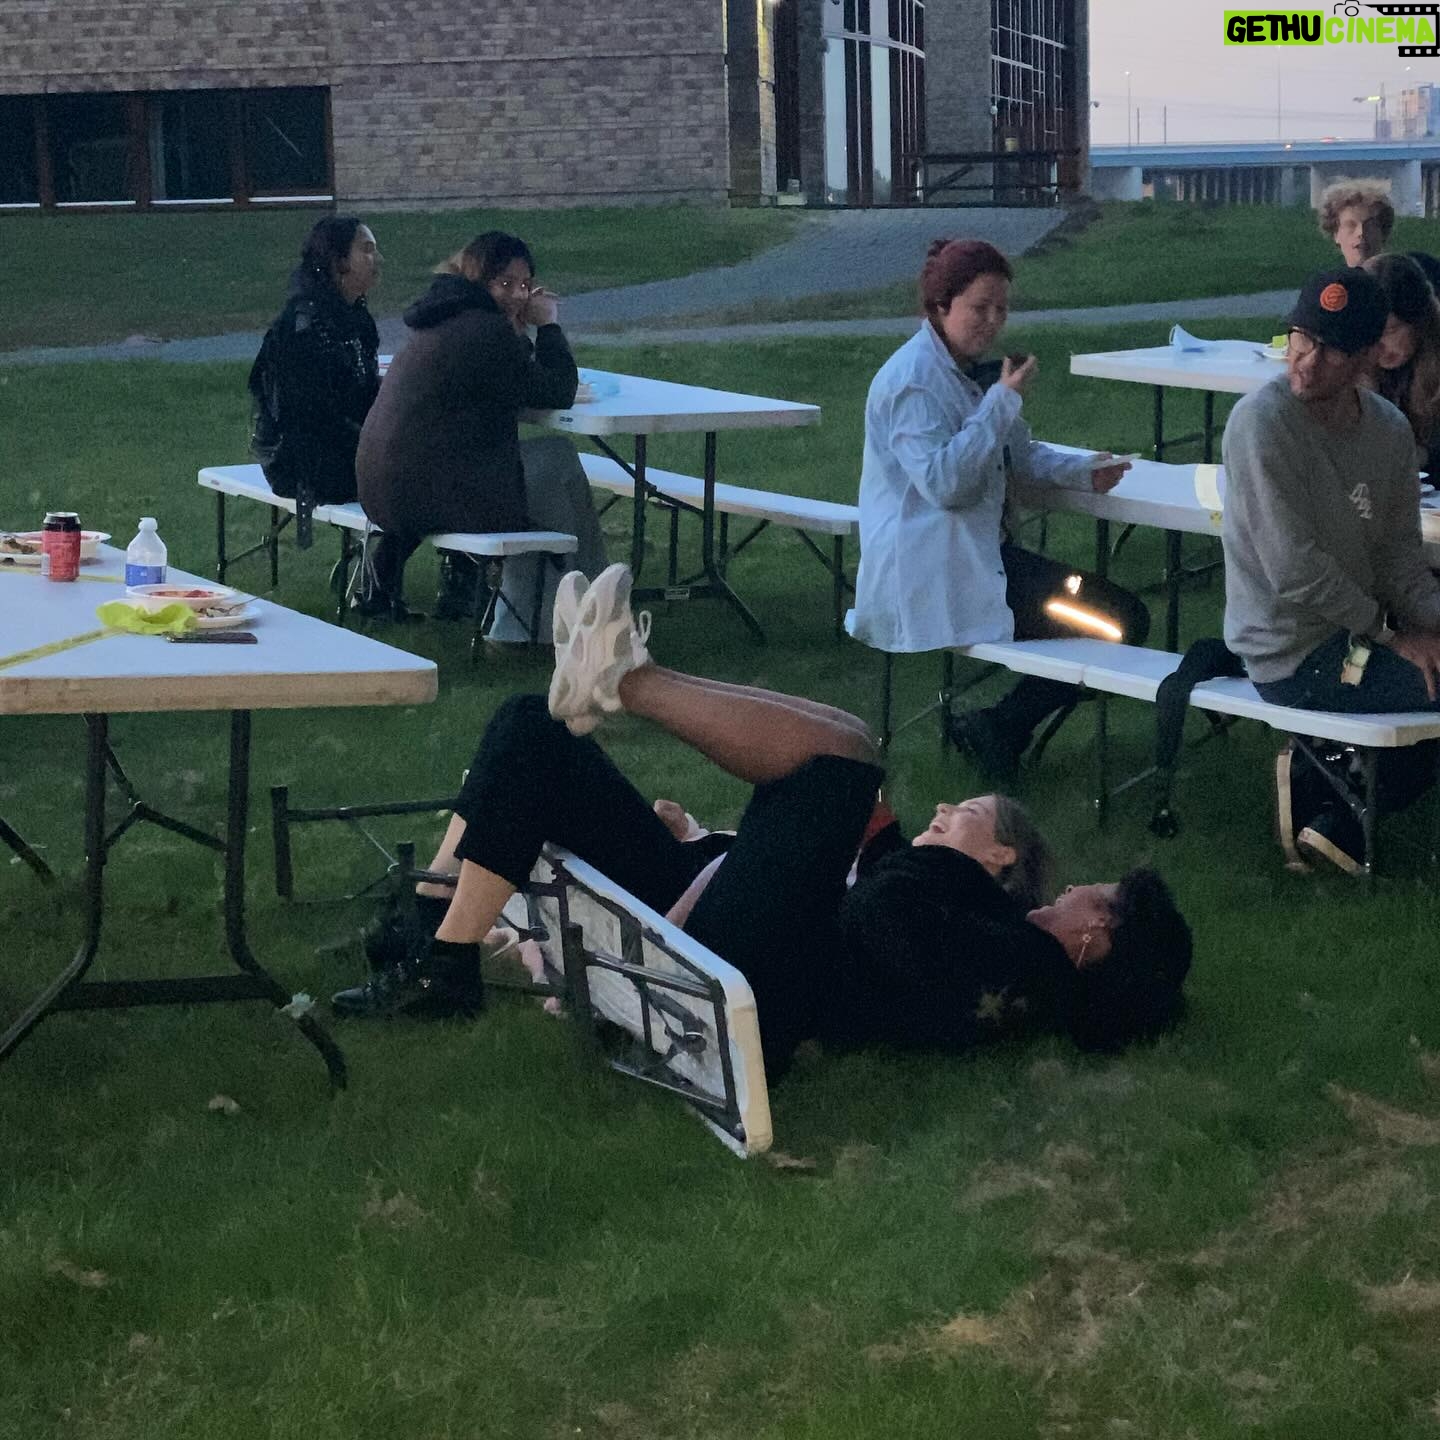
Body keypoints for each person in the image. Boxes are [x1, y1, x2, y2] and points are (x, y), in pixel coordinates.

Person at [332, 566, 1193, 1077]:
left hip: (759, 987)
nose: (1072, 890)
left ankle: (626, 677)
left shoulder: (1022, 959)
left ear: (1098, 935)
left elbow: (880, 919)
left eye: (1092, 895)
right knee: (533, 726)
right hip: (741, 935)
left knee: (848, 761)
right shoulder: (1006, 944)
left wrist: (875, 855)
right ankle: (437, 949)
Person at [848, 238, 1149, 784]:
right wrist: (1001, 401)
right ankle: (1002, 727)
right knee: (1116, 623)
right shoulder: (913, 382)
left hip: (979, 557)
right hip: (931, 573)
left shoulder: (968, 372)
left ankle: (1000, 726)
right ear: (941, 306)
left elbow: (1018, 452)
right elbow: (946, 484)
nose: (992, 322)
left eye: (1001, 309)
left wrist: (1084, 471)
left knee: (1120, 617)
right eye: (979, 308)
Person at [1222, 266, 1440, 874]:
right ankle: (1339, 813)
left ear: (1368, 357)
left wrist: (1429, 621)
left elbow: (1399, 560)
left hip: (1354, 640)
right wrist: (1393, 636)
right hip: (1292, 654)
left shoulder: (1389, 431)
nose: (1307, 362)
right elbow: (1294, 570)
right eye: (1301, 339)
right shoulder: (1261, 423)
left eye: (1331, 350)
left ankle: (1331, 798)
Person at [354, 230, 607, 624]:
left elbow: (508, 378)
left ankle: (584, 593)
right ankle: (566, 608)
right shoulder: (484, 329)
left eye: (525, 285)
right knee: (556, 459)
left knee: (536, 460)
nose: (518, 295)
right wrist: (549, 326)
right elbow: (557, 390)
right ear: (478, 280)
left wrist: (517, 333)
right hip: (429, 491)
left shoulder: (443, 317)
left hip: (384, 486)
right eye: (505, 284)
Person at [248, 216, 382, 546]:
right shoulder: (303, 328)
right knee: (414, 479)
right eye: (366, 250)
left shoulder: (356, 319)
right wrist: (373, 445)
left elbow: (363, 396)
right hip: (301, 465)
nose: (376, 259)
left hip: (345, 450)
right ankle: (385, 568)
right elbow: (306, 416)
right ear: (338, 261)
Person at [1362, 253, 1440, 479]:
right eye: (1370, 332)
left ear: (1419, 321)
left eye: (1390, 331)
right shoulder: (1362, 369)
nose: (1379, 345)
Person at [1318, 180, 1395, 268]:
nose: (1361, 232)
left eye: (1370, 225)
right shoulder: (1328, 277)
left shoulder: (1403, 275)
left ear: (1383, 233)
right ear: (1336, 235)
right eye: (1350, 225)